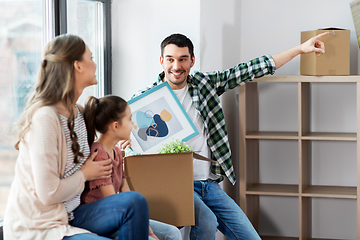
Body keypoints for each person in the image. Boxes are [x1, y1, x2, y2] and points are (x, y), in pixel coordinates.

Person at [121, 32, 329, 240]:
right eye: (171, 59)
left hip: (209, 183)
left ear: (192, 61)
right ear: (161, 61)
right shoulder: (143, 101)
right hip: (175, 183)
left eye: (183, 59)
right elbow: (127, 142)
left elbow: (250, 69)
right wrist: (126, 144)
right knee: (207, 222)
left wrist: (300, 49)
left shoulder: (204, 85)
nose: (176, 66)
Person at [3, 34, 149, 240]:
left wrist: (119, 142)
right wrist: (85, 174)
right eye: (91, 57)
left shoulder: (77, 113)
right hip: (39, 225)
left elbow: (100, 149)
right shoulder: (45, 117)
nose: (95, 64)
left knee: (134, 202)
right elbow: (48, 193)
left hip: (71, 215)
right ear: (78, 66)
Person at [82, 95, 183, 240]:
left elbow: (125, 191)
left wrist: (150, 231)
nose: (133, 123)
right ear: (116, 126)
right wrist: (147, 233)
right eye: (129, 119)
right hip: (100, 218)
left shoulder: (116, 151)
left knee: (173, 232)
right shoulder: (99, 154)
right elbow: (113, 203)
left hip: (116, 211)